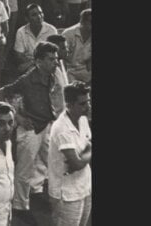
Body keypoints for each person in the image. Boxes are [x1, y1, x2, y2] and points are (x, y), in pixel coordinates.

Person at [0, 41, 62, 218]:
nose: (55, 62)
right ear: (38, 61)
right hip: (30, 130)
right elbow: (0, 94)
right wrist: (17, 117)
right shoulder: (27, 80)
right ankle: (20, 207)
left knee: (48, 162)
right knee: (24, 170)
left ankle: (36, 192)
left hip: (46, 126)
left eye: (56, 59)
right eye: (50, 59)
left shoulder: (51, 76)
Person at [47, 82, 92, 226]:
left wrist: (83, 156)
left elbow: (88, 146)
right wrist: (83, 157)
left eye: (88, 102)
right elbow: (77, 164)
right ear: (69, 105)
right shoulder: (61, 128)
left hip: (84, 187)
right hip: (66, 194)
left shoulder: (83, 119)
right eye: (83, 104)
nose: (88, 107)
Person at [13, 4, 60, 75]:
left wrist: (40, 63)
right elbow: (19, 56)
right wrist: (35, 63)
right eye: (34, 15)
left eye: (40, 13)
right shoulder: (21, 32)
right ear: (27, 19)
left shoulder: (51, 30)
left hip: (48, 64)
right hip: (29, 65)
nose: (39, 17)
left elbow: (55, 53)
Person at [60, 8, 92, 84]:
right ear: (82, 22)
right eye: (91, 22)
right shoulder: (68, 34)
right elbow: (61, 58)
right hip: (70, 70)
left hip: (85, 70)